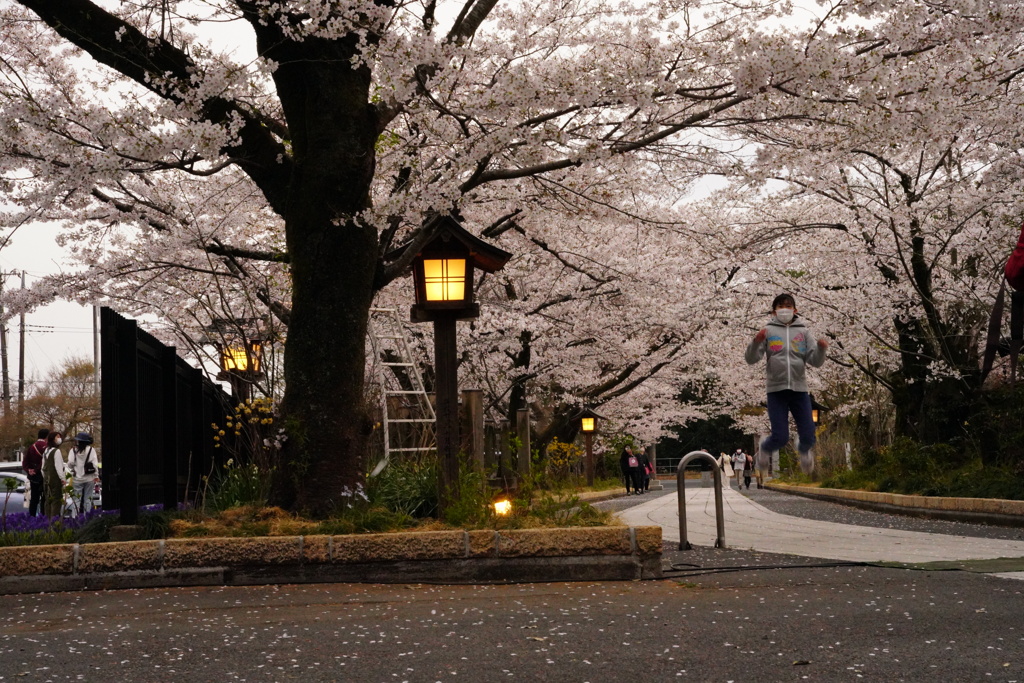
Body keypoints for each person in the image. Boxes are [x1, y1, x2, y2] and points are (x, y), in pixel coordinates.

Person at [745, 293, 829, 474]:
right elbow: (751, 359)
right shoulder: (767, 331)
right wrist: (756, 342)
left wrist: (821, 349)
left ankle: (804, 449)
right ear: (774, 311)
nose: (785, 309)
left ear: (795, 310)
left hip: (800, 389)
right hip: (776, 390)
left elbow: (815, 361)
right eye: (781, 306)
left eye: (788, 306)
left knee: (808, 435)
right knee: (781, 437)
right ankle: (765, 449)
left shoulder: (804, 332)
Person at [67, 432, 100, 515]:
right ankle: (87, 517)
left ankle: (75, 517)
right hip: (89, 478)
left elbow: (70, 463)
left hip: (77, 479)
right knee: (88, 499)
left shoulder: (73, 450)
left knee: (76, 500)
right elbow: (95, 465)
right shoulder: (91, 450)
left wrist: (75, 466)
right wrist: (96, 476)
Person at [21, 428, 49, 516]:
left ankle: (32, 517)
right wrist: (37, 470)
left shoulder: (32, 447)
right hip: (44, 476)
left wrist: (29, 470)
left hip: (33, 477)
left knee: (34, 499)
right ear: (47, 436)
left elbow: (25, 461)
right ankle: (43, 517)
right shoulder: (47, 447)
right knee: (45, 499)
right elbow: (45, 462)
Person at [42, 431, 66, 517]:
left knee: (48, 500)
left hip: (46, 480)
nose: (59, 439)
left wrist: (45, 477)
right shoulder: (56, 451)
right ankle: (54, 521)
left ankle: (47, 521)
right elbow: (58, 466)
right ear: (53, 439)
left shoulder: (46, 451)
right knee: (56, 500)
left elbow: (43, 467)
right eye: (57, 437)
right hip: (55, 479)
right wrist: (62, 479)